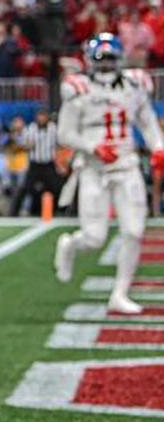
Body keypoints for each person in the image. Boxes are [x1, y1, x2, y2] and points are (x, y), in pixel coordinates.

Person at [54, 34, 164, 314]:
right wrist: (93, 147)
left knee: (134, 231)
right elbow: (64, 133)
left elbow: (148, 122)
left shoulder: (134, 85)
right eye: (100, 61)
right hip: (93, 170)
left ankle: (120, 293)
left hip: (127, 167)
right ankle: (69, 245)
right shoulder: (78, 89)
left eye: (110, 61)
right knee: (94, 238)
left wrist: (158, 147)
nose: (105, 67)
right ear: (90, 62)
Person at [10, 108, 60, 216]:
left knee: (55, 187)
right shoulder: (30, 129)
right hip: (35, 164)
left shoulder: (53, 129)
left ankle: (55, 210)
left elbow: (59, 145)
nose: (41, 118)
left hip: (48, 163)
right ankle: (13, 212)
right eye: (39, 116)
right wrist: (28, 146)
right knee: (24, 188)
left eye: (43, 116)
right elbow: (22, 145)